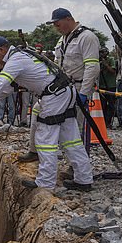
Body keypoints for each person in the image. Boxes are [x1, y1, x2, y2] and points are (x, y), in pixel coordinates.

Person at [0, 36, 93, 191]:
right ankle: (84, 179)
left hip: (54, 96)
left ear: (1, 50)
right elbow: (7, 89)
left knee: (45, 139)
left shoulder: (16, 60)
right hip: (64, 92)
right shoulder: (23, 54)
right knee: (71, 139)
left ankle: (45, 183)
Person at [19, 8, 100, 161]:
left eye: (58, 24)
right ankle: (34, 150)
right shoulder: (62, 40)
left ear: (69, 19)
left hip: (78, 86)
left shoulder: (86, 37)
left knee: (75, 127)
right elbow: (57, 66)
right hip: (61, 88)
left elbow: (92, 67)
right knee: (37, 110)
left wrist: (84, 93)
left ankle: (75, 166)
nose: (56, 28)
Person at [99, 47, 117, 129]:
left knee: (111, 105)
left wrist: (106, 65)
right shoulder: (98, 61)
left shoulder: (111, 59)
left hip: (111, 85)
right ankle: (102, 122)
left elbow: (113, 71)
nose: (102, 54)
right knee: (102, 105)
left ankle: (108, 122)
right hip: (102, 86)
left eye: (103, 52)